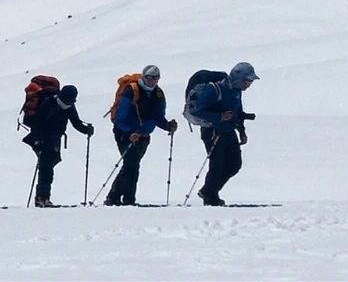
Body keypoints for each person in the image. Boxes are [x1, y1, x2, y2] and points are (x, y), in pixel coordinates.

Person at [105, 65, 178, 206]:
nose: (152, 81)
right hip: (125, 134)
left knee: (130, 165)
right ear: (143, 76)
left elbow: (158, 116)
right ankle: (128, 200)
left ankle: (113, 197)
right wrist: (129, 132)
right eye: (149, 77)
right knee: (132, 166)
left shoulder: (158, 94)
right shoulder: (131, 91)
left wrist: (167, 126)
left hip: (143, 136)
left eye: (155, 78)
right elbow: (119, 117)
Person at [192, 62, 259, 206]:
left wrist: (241, 130)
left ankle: (208, 191)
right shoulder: (214, 89)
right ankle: (210, 197)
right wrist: (219, 117)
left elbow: (237, 113)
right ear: (238, 78)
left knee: (234, 165)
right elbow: (198, 110)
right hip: (212, 131)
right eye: (247, 81)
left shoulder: (236, 91)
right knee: (217, 166)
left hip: (228, 131)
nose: (248, 85)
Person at [23, 85, 95, 207]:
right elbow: (37, 123)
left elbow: (76, 122)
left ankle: (41, 198)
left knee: (49, 165)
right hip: (42, 139)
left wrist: (86, 130)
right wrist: (38, 141)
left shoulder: (69, 106)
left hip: (55, 139)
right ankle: (42, 198)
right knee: (46, 168)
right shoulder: (48, 103)